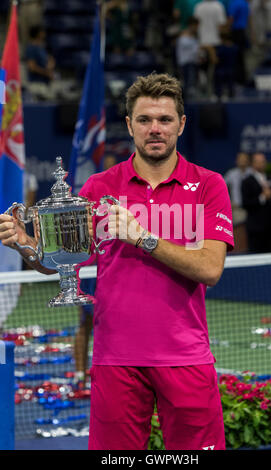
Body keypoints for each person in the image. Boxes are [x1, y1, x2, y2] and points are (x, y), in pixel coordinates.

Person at [0, 73, 234, 450]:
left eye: (164, 120)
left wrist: (142, 237)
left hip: (186, 356)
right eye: (144, 120)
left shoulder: (208, 185)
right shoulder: (99, 187)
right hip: (116, 359)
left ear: (181, 124)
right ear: (129, 125)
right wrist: (26, 244)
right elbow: (62, 264)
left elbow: (210, 269)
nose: (154, 129)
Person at [74, 154, 118, 386]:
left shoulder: (121, 199)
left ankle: (104, 375)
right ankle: (81, 374)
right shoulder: (94, 191)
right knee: (85, 324)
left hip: (110, 273)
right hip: (89, 272)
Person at [241, 152, 271, 253]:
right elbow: (245, 203)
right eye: (259, 162)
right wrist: (262, 197)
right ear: (253, 164)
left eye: (263, 161)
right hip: (256, 228)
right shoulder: (247, 182)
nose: (262, 164)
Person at [224, 152, 250, 252]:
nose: (242, 161)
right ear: (237, 161)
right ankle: (238, 252)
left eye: (244, 159)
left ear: (248, 161)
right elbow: (221, 188)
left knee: (248, 232)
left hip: (251, 208)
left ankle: (248, 250)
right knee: (237, 231)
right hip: (237, 208)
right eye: (240, 159)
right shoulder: (232, 174)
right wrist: (229, 202)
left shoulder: (252, 173)